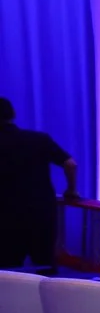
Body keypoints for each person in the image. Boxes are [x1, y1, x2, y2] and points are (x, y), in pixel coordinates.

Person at [0, 98, 75, 271]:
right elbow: (70, 164)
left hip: (4, 215)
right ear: (13, 114)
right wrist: (71, 189)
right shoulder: (39, 139)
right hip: (40, 212)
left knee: (7, 271)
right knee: (44, 264)